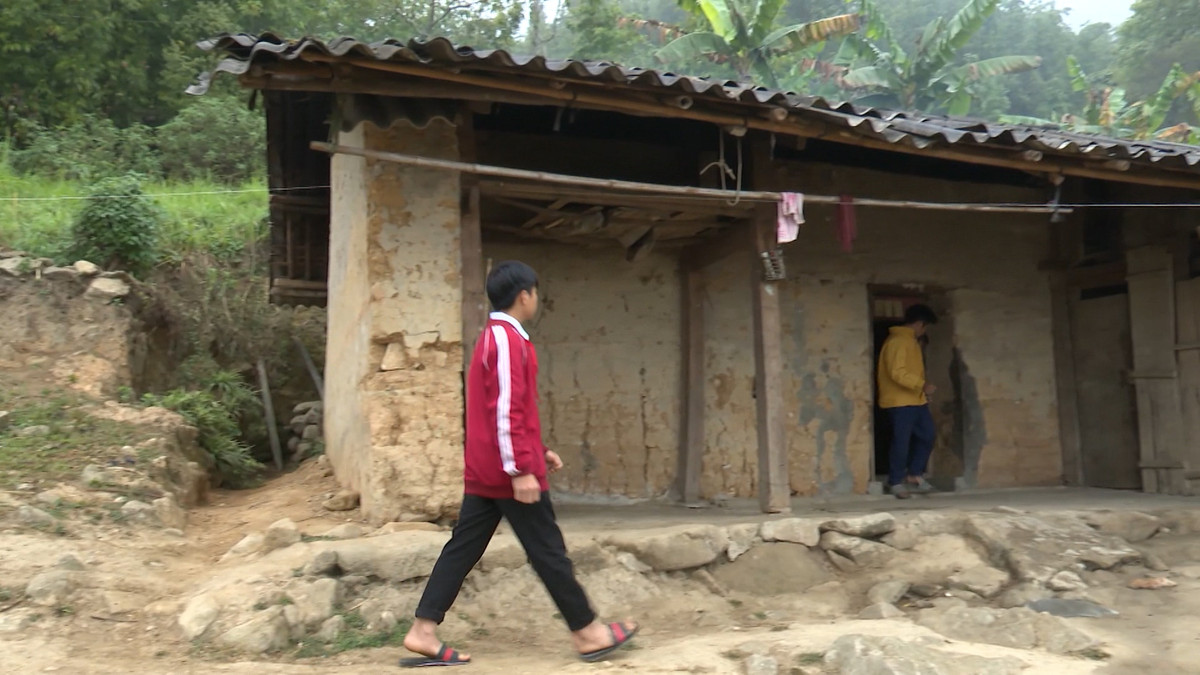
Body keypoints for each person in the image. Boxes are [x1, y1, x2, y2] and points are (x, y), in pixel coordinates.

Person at [401, 260, 638, 668]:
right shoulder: (508, 341)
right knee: (548, 550)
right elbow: (506, 409)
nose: (536, 299)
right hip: (507, 475)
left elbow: (504, 409)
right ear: (524, 295)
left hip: (487, 470)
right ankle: (587, 633)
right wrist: (522, 469)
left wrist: (537, 449)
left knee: (463, 548)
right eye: (535, 292)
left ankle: (422, 630)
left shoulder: (493, 338)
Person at [876, 304, 939, 500]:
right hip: (899, 401)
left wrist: (921, 391)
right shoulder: (898, 341)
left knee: (928, 435)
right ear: (920, 324)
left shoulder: (910, 341)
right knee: (901, 442)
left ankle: (914, 474)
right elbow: (897, 372)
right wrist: (921, 385)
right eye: (925, 327)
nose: (924, 331)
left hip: (915, 400)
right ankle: (895, 481)